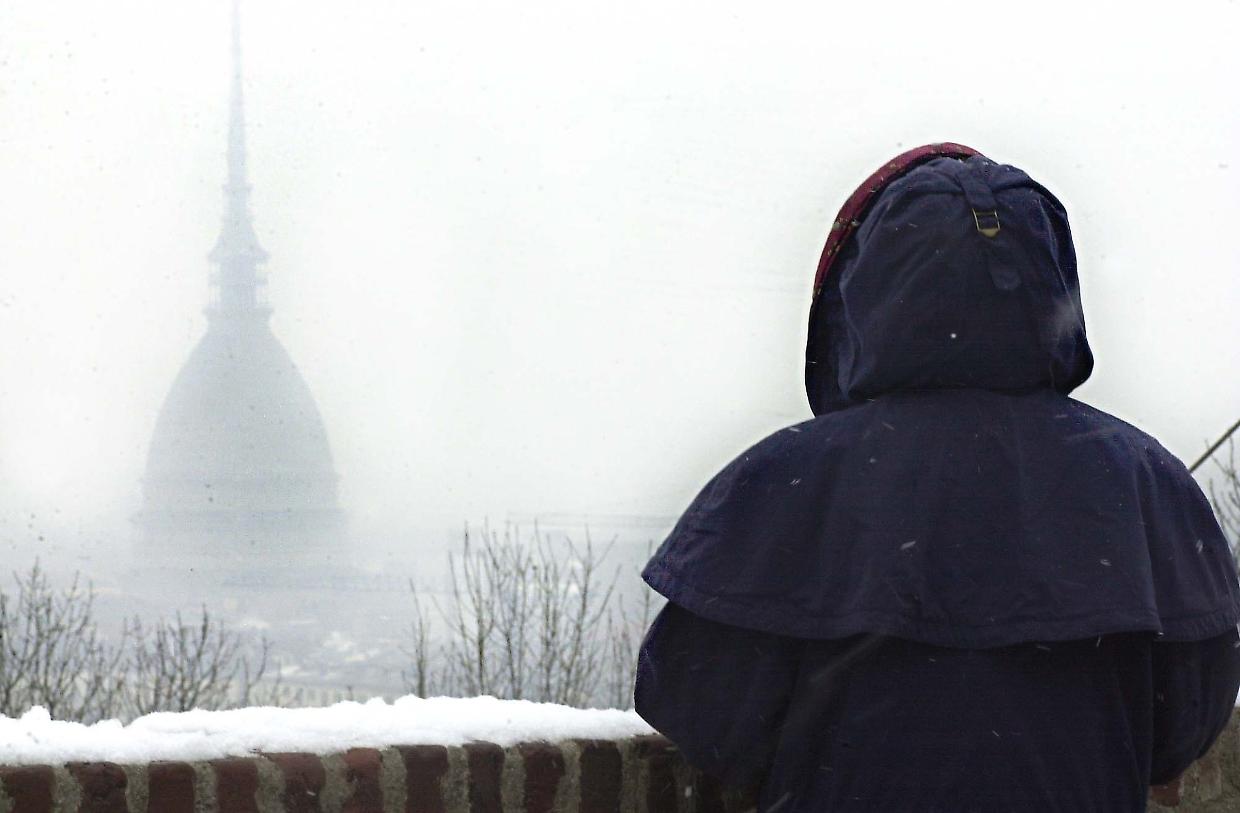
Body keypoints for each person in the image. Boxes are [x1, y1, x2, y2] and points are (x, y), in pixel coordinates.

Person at [633, 143, 1240, 812]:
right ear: (1052, 283)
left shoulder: (786, 481)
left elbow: (699, 709)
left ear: (866, 291)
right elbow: (1183, 724)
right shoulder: (1146, 483)